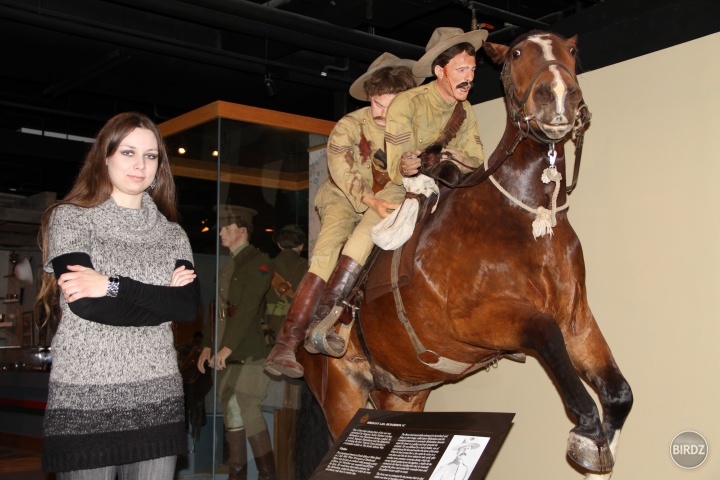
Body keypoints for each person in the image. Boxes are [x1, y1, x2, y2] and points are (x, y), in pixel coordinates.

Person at [36, 112, 201, 479]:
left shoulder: (172, 235)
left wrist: (113, 285)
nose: (140, 165)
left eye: (151, 155)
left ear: (160, 166)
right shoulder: (72, 218)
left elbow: (187, 307)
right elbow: (87, 303)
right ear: (105, 157)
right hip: (87, 398)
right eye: (128, 152)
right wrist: (162, 302)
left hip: (157, 396)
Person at [263, 52, 422, 378]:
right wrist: (367, 199)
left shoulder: (412, 129)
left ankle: (323, 324)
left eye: (391, 105)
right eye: (377, 103)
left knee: (361, 242)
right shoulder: (350, 125)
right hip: (342, 194)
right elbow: (341, 165)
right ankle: (285, 343)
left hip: (388, 194)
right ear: (369, 98)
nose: (382, 112)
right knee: (325, 252)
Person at [196, 205, 276, 480]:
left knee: (249, 411)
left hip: (248, 352)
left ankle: (268, 476)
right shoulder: (230, 263)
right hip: (228, 353)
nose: (219, 233)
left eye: (225, 228)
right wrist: (208, 343)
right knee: (232, 412)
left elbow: (248, 308)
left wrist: (226, 347)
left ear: (242, 231)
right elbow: (218, 310)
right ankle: (237, 475)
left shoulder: (259, 261)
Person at [385, 26, 488, 185]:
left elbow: (478, 162)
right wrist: (405, 166)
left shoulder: (465, 109)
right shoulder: (407, 103)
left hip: (453, 184)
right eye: (461, 70)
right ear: (440, 71)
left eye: (472, 69)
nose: (469, 77)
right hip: (407, 188)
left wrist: (462, 161)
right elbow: (396, 170)